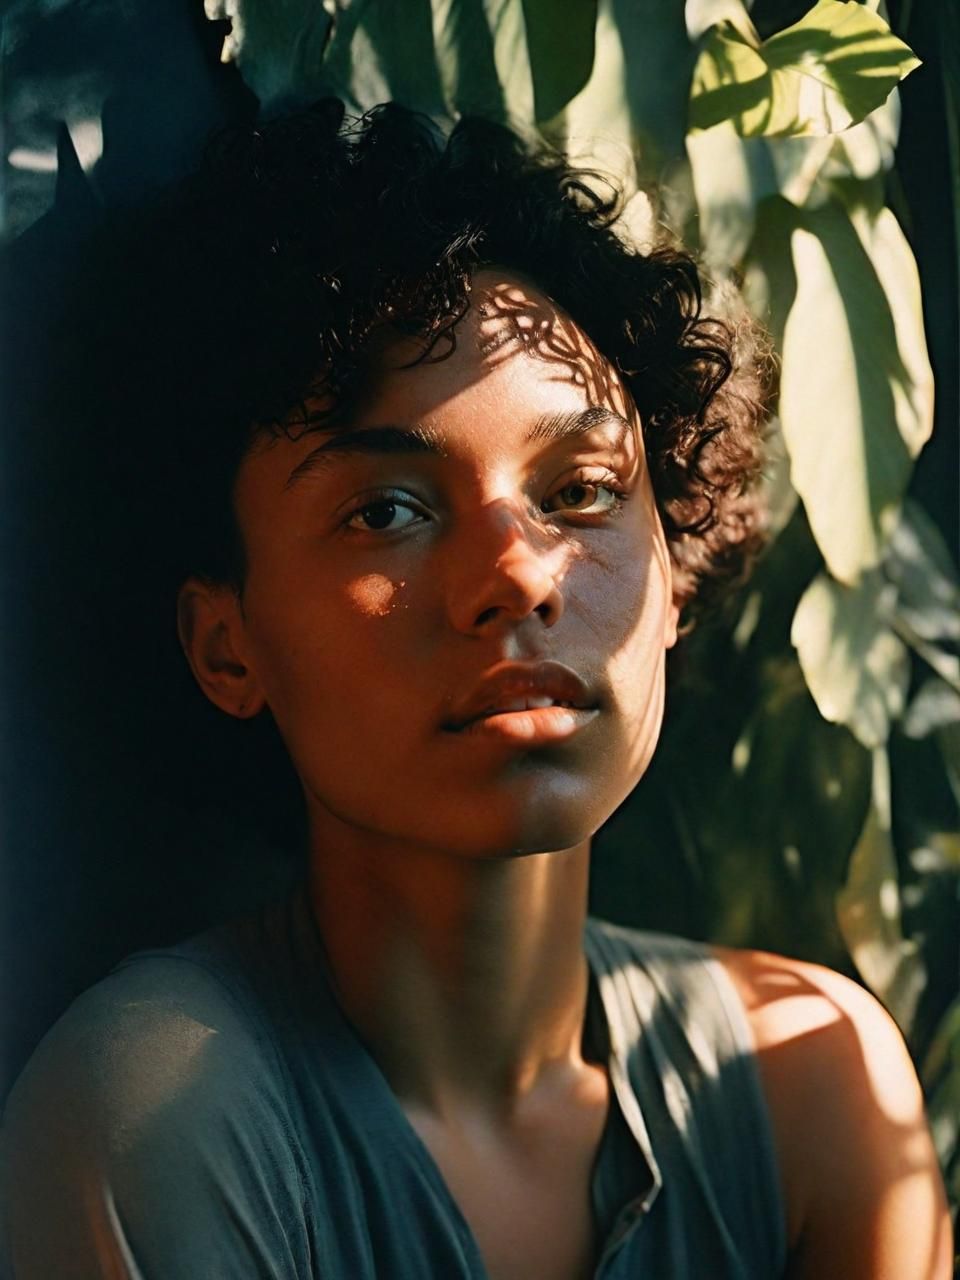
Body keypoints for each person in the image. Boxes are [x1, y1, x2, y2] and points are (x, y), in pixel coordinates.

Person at [0, 99, 952, 1280]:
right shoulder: (161, 1113)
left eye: (584, 489)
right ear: (226, 644)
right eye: (386, 510)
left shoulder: (815, 1086)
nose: (517, 571)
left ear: (671, 582)